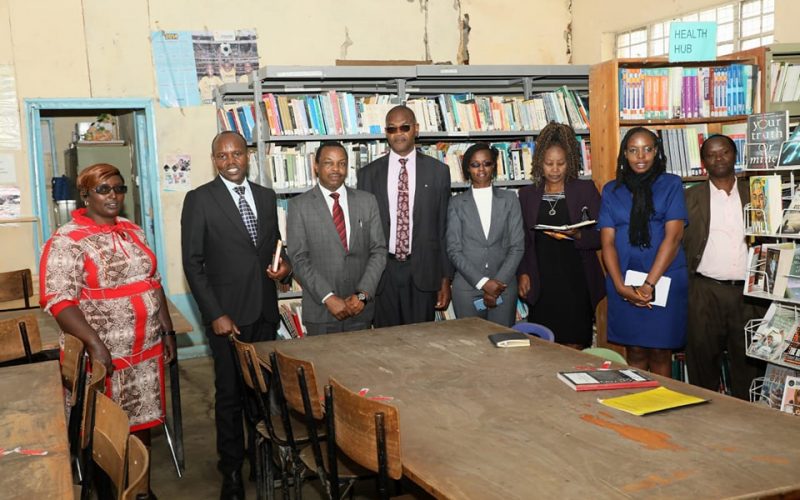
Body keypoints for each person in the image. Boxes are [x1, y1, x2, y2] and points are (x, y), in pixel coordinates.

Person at [40, 163, 175, 496]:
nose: (113, 195)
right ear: (85, 195)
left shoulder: (132, 229)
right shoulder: (66, 240)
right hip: (103, 357)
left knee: (141, 423)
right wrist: (94, 344)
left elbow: (152, 280)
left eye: (118, 188)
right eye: (103, 189)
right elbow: (58, 300)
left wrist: (167, 329)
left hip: (144, 352)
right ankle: (111, 491)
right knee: (105, 430)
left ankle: (139, 487)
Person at [181, 130, 291, 499]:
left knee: (260, 394)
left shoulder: (265, 196)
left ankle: (261, 458)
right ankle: (230, 470)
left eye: (237, 154)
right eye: (222, 155)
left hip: (262, 312)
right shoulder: (199, 200)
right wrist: (215, 313)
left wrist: (283, 269)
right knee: (229, 396)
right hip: (227, 318)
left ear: (248, 156)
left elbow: (274, 249)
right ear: (215, 160)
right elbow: (193, 264)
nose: (231, 161)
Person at [598, 126, 689, 377]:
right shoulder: (611, 190)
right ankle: (635, 409)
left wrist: (648, 286)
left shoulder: (671, 184)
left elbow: (674, 237)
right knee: (635, 351)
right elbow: (607, 243)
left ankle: (662, 412)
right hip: (624, 280)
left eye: (647, 149)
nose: (641, 156)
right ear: (624, 154)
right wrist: (619, 286)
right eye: (633, 150)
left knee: (661, 353)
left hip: (665, 279)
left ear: (656, 152)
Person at [684, 134, 766, 399]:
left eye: (725, 152)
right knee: (702, 363)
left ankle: (748, 425)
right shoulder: (690, 197)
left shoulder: (755, 192)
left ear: (735, 155)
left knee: (749, 366)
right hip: (705, 292)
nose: (718, 158)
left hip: (748, 294)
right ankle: (704, 427)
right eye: (711, 154)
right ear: (703, 161)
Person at [356, 105, 452, 326]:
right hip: (382, 272)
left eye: (404, 127)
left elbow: (443, 229)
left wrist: (445, 279)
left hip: (424, 271)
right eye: (391, 129)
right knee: (385, 342)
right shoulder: (368, 174)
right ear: (386, 133)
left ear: (416, 129)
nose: (398, 133)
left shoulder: (438, 172)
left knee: (421, 345)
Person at [517, 123, 605, 348]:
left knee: (576, 344)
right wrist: (523, 273)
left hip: (577, 277)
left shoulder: (585, 190)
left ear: (571, 163)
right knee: (544, 346)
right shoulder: (527, 195)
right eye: (549, 164)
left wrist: (578, 235)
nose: (554, 169)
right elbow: (523, 241)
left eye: (560, 163)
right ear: (539, 163)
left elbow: (601, 236)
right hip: (542, 278)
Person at [287, 141, 387, 334]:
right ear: (316, 166)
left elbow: (379, 251)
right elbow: (299, 259)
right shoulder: (299, 206)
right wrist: (328, 297)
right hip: (321, 311)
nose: (336, 169)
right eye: (328, 163)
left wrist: (363, 295)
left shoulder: (367, 201)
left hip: (360, 310)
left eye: (341, 163)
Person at [446, 143, 524, 326]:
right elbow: (453, 250)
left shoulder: (510, 199)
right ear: (467, 169)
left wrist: (497, 284)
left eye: (486, 163)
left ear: (494, 167)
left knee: (503, 343)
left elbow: (517, 246)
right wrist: (483, 283)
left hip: (503, 286)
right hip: (467, 287)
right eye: (475, 164)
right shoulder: (456, 203)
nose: (481, 169)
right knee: (471, 346)